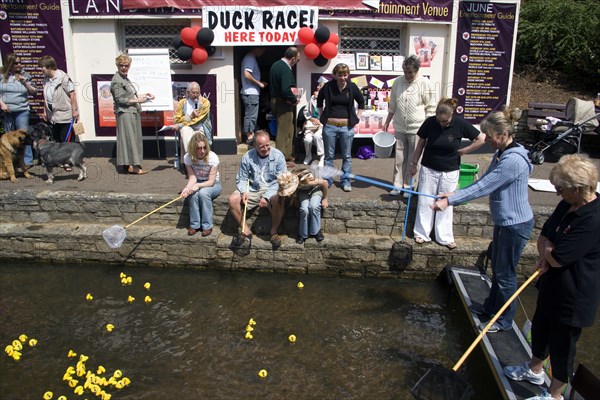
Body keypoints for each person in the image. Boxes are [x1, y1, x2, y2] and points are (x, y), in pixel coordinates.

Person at [503, 154, 599, 400]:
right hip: (552, 284)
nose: (557, 194)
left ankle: (554, 394)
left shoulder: (593, 219)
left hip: (574, 295)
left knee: (562, 348)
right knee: (542, 330)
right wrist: (547, 250)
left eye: (561, 189)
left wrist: (548, 252)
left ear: (578, 189)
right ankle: (534, 369)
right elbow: (544, 235)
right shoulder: (568, 204)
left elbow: (560, 257)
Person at [432, 107, 534, 333]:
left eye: (489, 136)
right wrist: (453, 194)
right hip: (504, 223)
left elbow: (484, 187)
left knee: (505, 275)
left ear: (504, 134)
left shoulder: (513, 161)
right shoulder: (502, 154)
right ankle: (490, 309)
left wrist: (449, 202)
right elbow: (485, 180)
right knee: (498, 270)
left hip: (514, 225)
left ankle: (504, 321)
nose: (486, 140)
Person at [410, 98, 485, 249]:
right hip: (429, 168)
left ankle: (444, 237)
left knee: (446, 203)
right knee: (425, 201)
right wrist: (413, 164)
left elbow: (481, 138)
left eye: (444, 121)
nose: (441, 124)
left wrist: (465, 150)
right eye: (439, 120)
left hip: (450, 170)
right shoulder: (430, 122)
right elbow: (420, 144)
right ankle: (422, 234)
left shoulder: (460, 124)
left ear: (451, 115)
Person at [383, 55, 436, 197]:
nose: (407, 75)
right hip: (400, 127)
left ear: (417, 70)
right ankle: (397, 184)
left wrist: (427, 127)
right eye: (405, 72)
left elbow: (431, 107)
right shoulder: (398, 82)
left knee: (414, 159)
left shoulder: (424, 83)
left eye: (410, 73)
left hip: (417, 128)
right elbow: (393, 104)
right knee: (399, 158)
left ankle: (409, 186)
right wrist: (387, 121)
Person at [227, 130, 287, 249]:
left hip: (272, 187)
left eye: (267, 145)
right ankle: (246, 230)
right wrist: (244, 191)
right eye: (262, 147)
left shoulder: (278, 156)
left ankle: (274, 232)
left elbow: (281, 180)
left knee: (279, 199)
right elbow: (242, 178)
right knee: (232, 199)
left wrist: (266, 196)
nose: (265, 149)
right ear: (255, 146)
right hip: (253, 187)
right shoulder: (247, 157)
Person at [317, 63, 365, 192]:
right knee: (329, 156)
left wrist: (358, 116)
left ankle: (345, 180)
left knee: (347, 156)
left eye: (345, 75)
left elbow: (361, 102)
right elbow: (319, 101)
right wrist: (323, 117)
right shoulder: (328, 87)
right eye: (340, 75)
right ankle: (328, 180)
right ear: (335, 75)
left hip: (346, 127)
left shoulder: (352, 87)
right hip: (330, 126)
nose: (343, 77)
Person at [110, 54, 155, 175]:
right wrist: (138, 100)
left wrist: (144, 96)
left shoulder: (125, 78)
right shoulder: (116, 80)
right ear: (117, 65)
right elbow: (120, 100)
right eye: (121, 65)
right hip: (125, 113)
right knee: (129, 139)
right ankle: (132, 166)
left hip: (132, 111)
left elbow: (130, 96)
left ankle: (130, 165)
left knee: (133, 139)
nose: (124, 68)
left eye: (126, 65)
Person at [39, 55, 80, 171]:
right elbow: (45, 97)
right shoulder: (46, 79)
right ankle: (59, 160)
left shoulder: (64, 78)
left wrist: (74, 110)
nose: (41, 69)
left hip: (65, 114)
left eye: (42, 67)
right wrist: (44, 110)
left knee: (66, 140)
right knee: (56, 139)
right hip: (53, 115)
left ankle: (68, 162)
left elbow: (72, 94)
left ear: (49, 66)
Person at [180, 132, 221, 237]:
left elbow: (211, 181)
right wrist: (187, 188)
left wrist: (197, 186)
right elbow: (192, 177)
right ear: (193, 148)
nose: (202, 151)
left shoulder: (213, 157)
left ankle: (207, 226)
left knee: (203, 193)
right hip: (197, 182)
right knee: (192, 194)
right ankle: (194, 225)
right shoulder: (187, 158)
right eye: (199, 148)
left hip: (213, 184)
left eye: (204, 147)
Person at [0, 53, 36, 165]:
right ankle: (12, 162)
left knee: (24, 136)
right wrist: (2, 104)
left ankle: (27, 161)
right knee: (9, 136)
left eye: (20, 62)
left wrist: (25, 82)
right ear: (10, 64)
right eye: (16, 63)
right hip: (7, 110)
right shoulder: (2, 75)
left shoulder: (25, 74)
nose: (19, 65)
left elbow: (34, 92)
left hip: (22, 110)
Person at [269, 46, 300, 161]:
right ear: (292, 58)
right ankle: (282, 158)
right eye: (297, 60)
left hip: (275, 101)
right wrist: (293, 99)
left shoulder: (276, 65)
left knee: (287, 128)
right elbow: (286, 89)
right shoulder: (285, 69)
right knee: (284, 131)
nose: (296, 62)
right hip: (283, 103)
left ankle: (286, 155)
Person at [173, 81, 212, 161]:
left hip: (201, 128)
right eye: (193, 93)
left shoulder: (205, 103)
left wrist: (181, 124)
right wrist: (190, 116)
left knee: (189, 132)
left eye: (197, 93)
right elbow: (177, 120)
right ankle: (190, 156)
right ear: (188, 92)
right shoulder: (182, 103)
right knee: (185, 130)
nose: (196, 95)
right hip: (187, 127)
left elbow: (197, 119)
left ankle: (192, 159)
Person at [293, 167, 328, 244]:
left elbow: (325, 183)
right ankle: (303, 234)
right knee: (304, 209)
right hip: (303, 191)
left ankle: (316, 231)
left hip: (315, 189)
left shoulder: (312, 181)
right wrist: (295, 200)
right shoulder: (294, 181)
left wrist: (325, 198)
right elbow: (293, 192)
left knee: (314, 206)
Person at [241, 47, 267, 145]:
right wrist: (259, 83)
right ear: (257, 49)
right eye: (262, 50)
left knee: (251, 114)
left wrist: (259, 82)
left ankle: (251, 133)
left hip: (251, 92)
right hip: (250, 92)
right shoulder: (250, 58)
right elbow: (246, 74)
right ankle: (249, 136)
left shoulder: (249, 58)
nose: (262, 52)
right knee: (250, 115)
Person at [301, 82, 325, 166]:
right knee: (307, 139)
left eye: (320, 86)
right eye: (318, 86)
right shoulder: (313, 98)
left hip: (323, 124)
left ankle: (322, 156)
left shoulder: (328, 98)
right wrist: (311, 118)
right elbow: (306, 111)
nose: (317, 87)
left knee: (317, 136)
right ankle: (308, 156)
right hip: (312, 123)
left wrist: (321, 121)